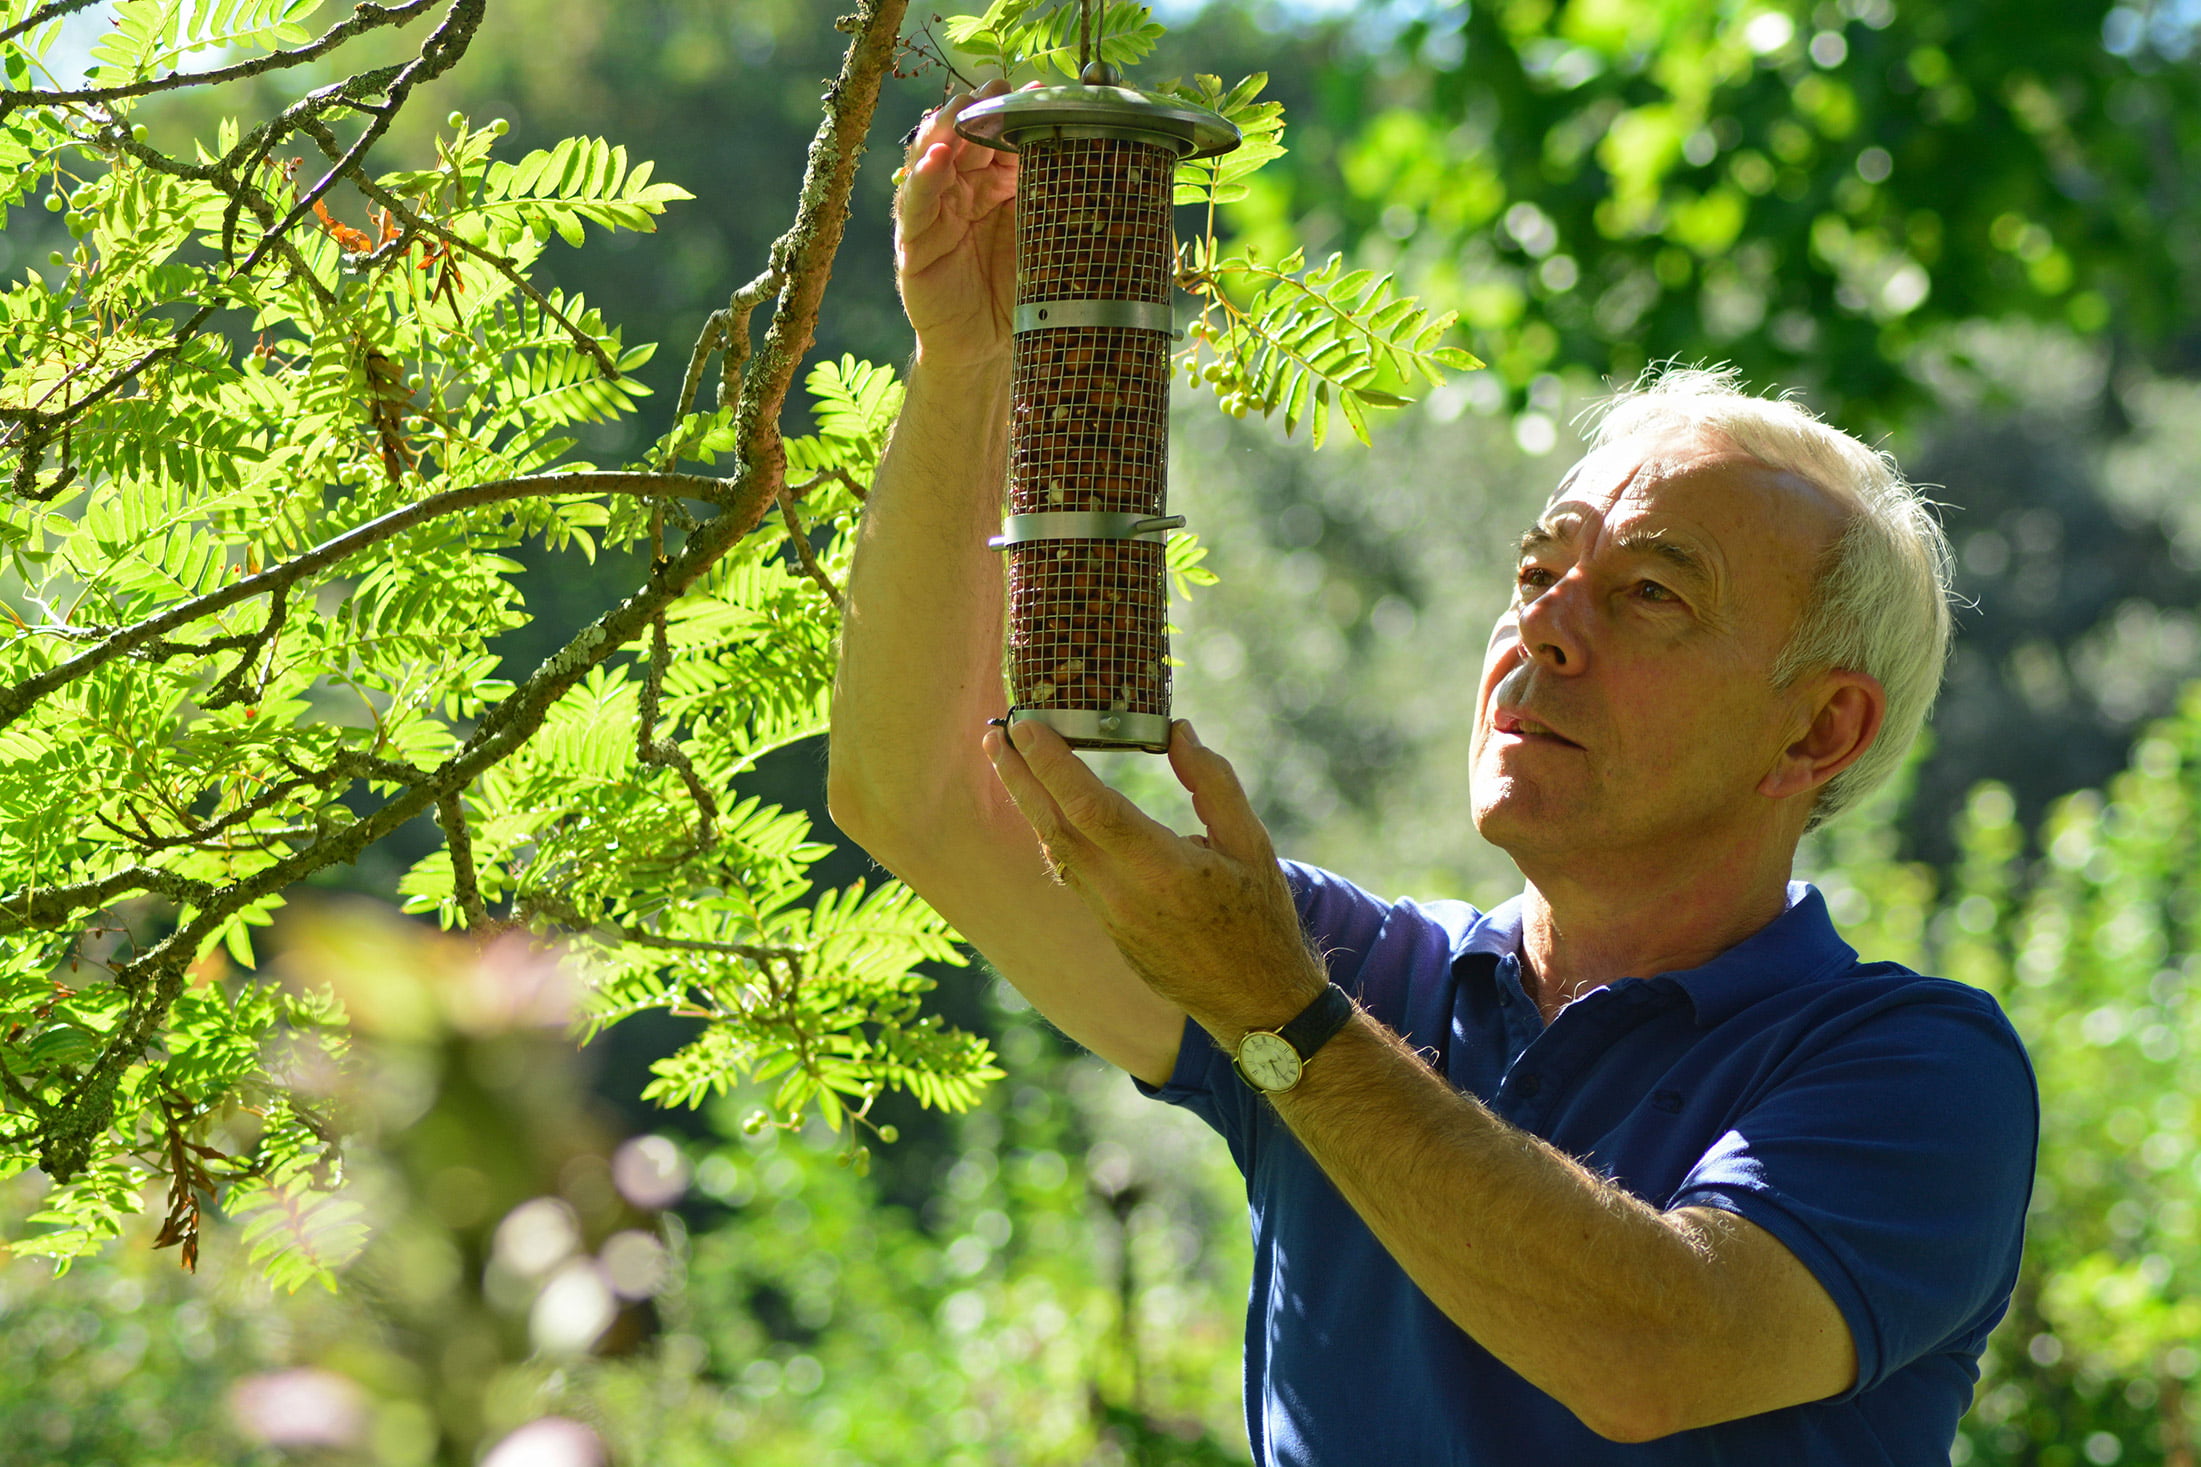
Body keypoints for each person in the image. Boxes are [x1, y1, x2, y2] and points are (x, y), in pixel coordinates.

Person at [827, 81, 2038, 1465]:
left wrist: (1283, 1022)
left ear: (1818, 732)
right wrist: (968, 363)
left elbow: (1654, 1350)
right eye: (1536, 572)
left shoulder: (1914, 1064)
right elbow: (916, 799)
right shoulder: (1341, 971)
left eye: (1649, 594)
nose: (1545, 628)